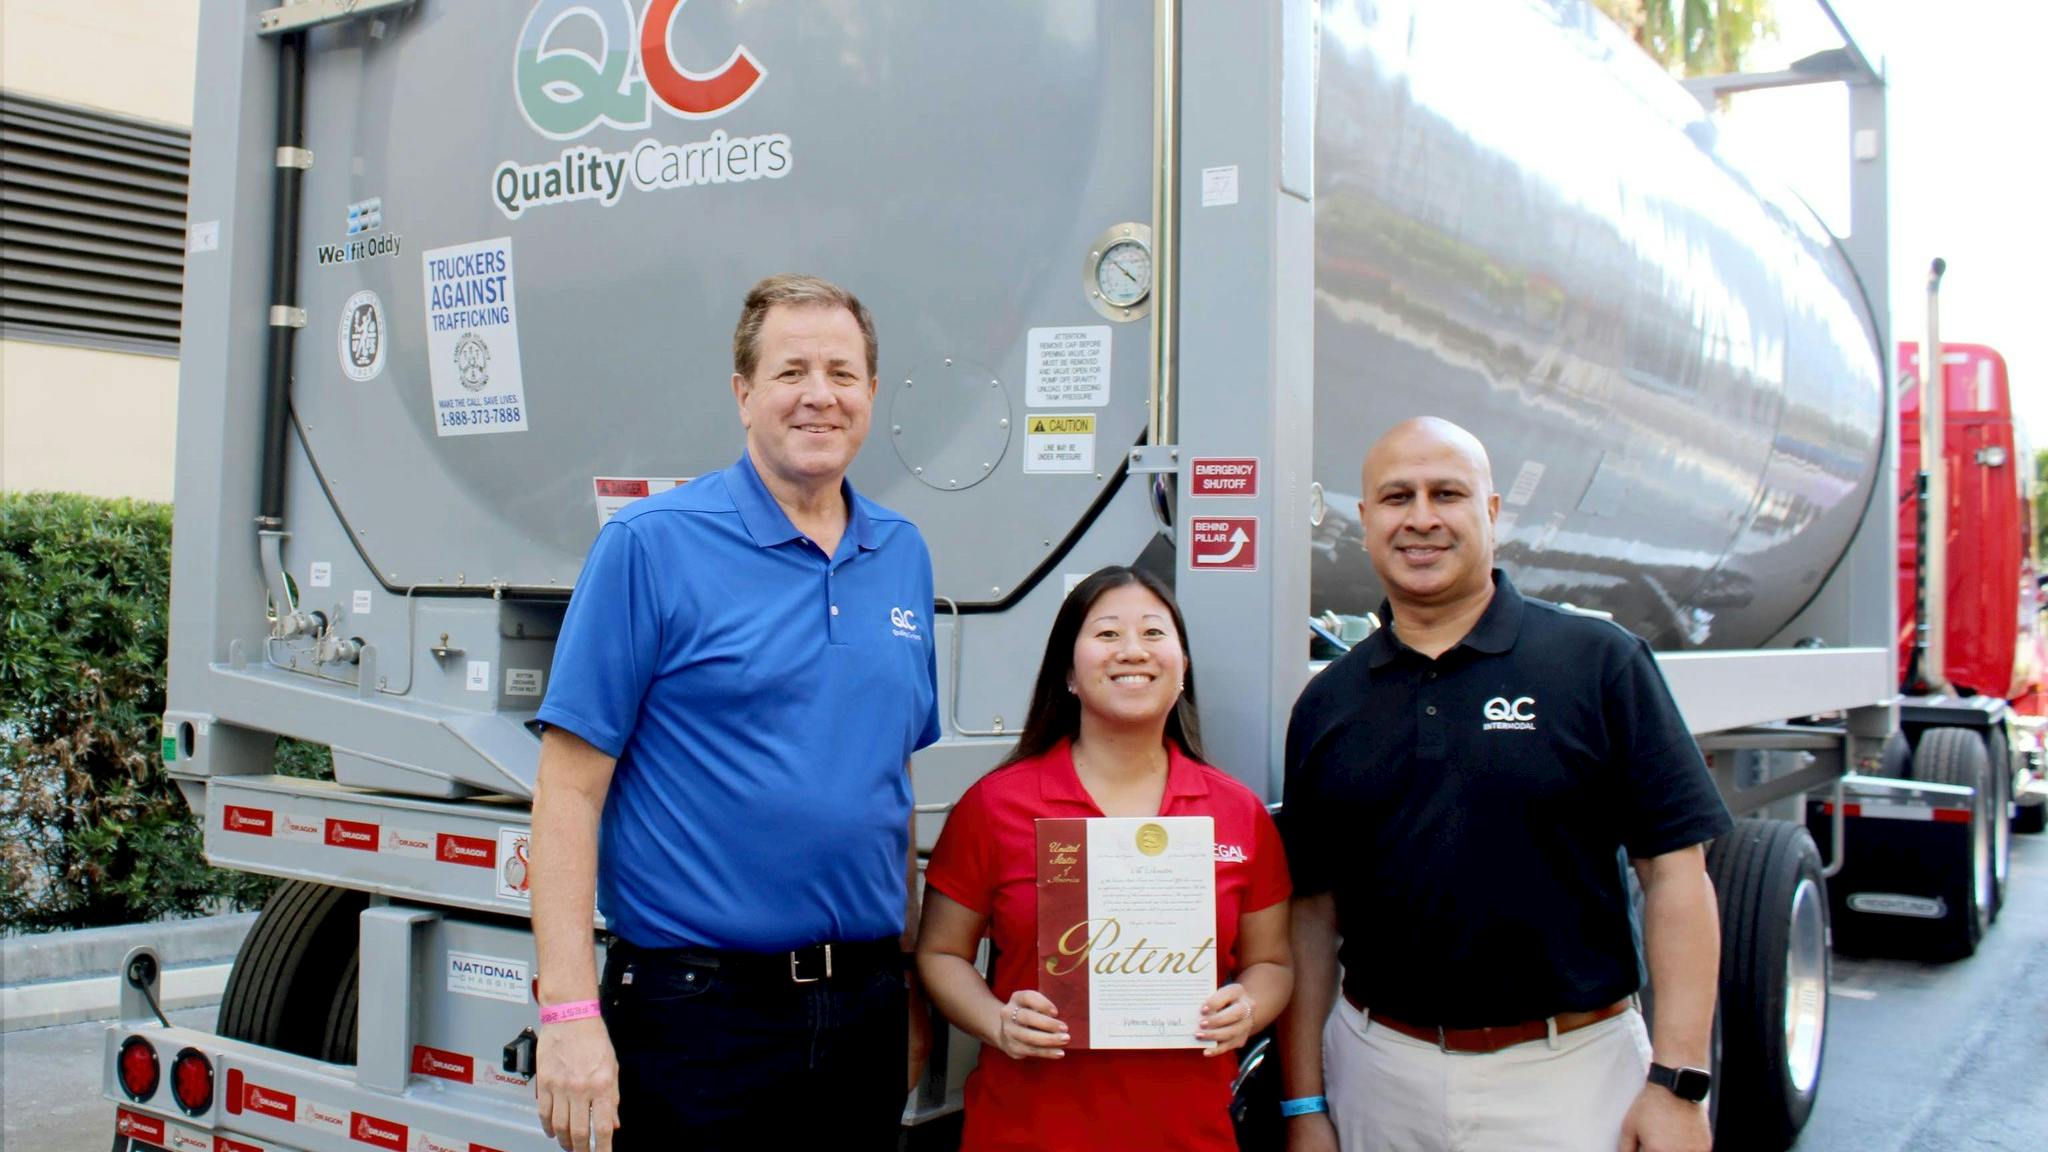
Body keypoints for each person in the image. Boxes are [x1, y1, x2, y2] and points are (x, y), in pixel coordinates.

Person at [527, 274, 940, 1152]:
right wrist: (566, 1009)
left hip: (863, 1005)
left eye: (842, 372)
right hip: (698, 1018)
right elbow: (568, 792)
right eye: (791, 371)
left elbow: (888, 779)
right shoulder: (650, 547)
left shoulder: (901, 556)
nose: (819, 396)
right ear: (743, 393)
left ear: (871, 393)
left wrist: (902, 982)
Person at [1278, 417, 1731, 1152]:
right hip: (1376, 1073)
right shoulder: (1329, 703)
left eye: (1446, 494)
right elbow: (1310, 917)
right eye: (1397, 498)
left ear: (1490, 513)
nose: (1421, 518)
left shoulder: (1599, 663)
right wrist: (1304, 1108)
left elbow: (1676, 875)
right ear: (1365, 522)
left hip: (1571, 1080)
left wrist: (1680, 1085)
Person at [917, 565, 1294, 1151]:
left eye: (1152, 632)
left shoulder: (1236, 812)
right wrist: (997, 1022)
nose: (1132, 651)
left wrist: (1247, 1006)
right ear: (1068, 672)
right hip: (1026, 1132)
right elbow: (940, 952)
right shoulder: (995, 806)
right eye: (1108, 634)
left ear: (1183, 667)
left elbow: (1273, 964)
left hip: (1189, 1133)